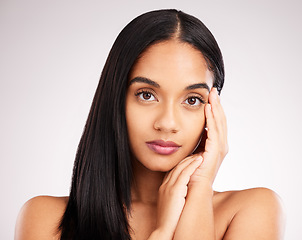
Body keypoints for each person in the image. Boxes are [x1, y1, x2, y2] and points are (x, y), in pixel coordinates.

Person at [15, 9, 285, 240]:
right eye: (147, 95)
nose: (167, 123)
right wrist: (162, 232)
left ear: (213, 110)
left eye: (192, 99)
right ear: (115, 99)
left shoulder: (251, 210)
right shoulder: (46, 219)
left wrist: (199, 191)